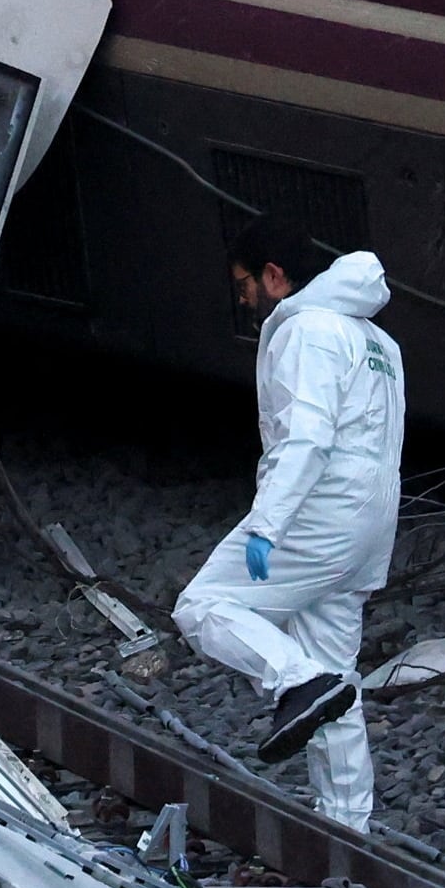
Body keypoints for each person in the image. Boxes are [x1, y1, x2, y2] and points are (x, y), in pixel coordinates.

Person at [170, 216, 407, 830]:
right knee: (338, 676)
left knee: (202, 608)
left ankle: (294, 681)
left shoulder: (308, 331)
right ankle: (348, 829)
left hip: (318, 512)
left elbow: (306, 440)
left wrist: (266, 526)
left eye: (244, 282)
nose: (242, 296)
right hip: (369, 523)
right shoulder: (380, 343)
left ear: (275, 275)